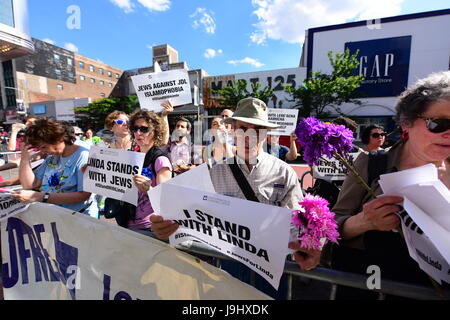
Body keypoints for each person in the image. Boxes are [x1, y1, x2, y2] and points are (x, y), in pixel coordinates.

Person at [150, 97, 322, 299]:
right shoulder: (214, 172)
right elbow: (191, 219)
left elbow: (297, 222)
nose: (248, 136)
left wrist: (310, 245)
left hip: (270, 268)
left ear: (265, 133)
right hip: (227, 264)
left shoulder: (284, 173)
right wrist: (167, 228)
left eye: (256, 129)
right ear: (233, 130)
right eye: (242, 129)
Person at [331, 71, 450, 299]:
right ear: (407, 123)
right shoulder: (371, 163)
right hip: (370, 284)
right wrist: (364, 222)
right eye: (438, 124)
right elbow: (335, 225)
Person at [12, 118, 92, 213]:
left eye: (44, 147)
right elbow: (29, 184)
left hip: (80, 216)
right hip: (58, 215)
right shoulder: (53, 157)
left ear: (58, 138)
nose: (42, 151)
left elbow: (84, 195)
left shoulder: (83, 155)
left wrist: (42, 197)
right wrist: (25, 157)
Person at [128, 109, 173, 236]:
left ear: (155, 132)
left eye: (144, 129)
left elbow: (165, 197)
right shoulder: (132, 157)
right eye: (135, 128)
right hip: (128, 222)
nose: (138, 133)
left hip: (149, 227)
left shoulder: (160, 160)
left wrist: (149, 189)